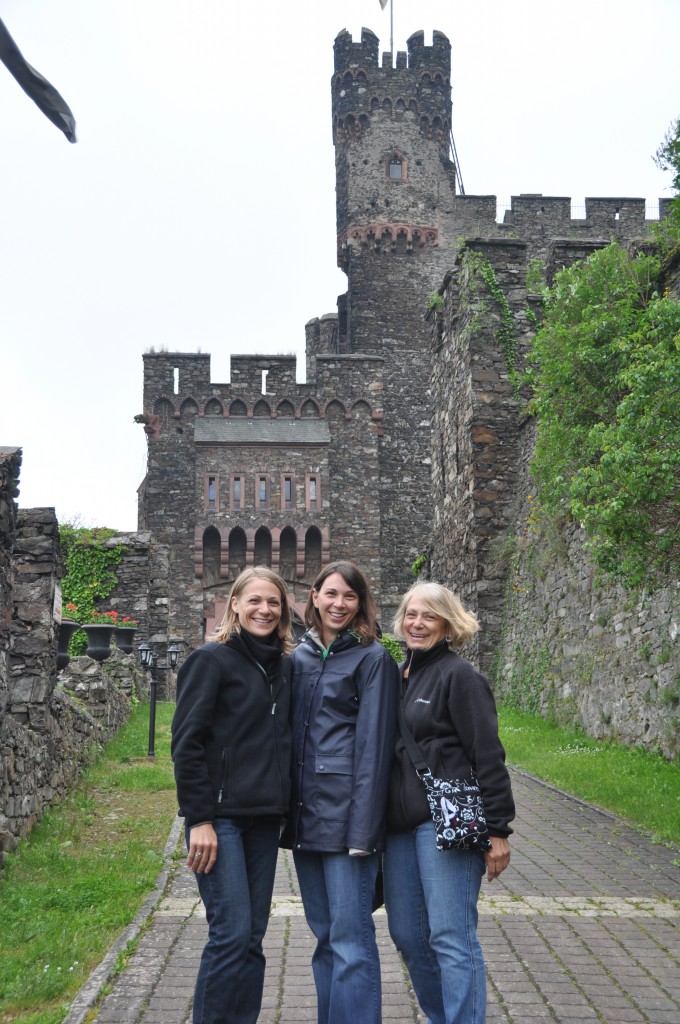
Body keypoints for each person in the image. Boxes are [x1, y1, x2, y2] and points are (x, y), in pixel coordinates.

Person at [384, 582, 515, 1024]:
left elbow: (488, 754)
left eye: (429, 616)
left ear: (448, 624)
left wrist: (498, 830)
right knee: (407, 935)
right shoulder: (397, 675)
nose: (417, 624)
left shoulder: (460, 677)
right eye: (411, 615)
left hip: (446, 825)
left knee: (451, 937)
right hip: (399, 827)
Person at [171, 567, 294, 1024]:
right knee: (230, 933)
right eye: (256, 601)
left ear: (283, 612)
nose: (265, 610)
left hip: (263, 819)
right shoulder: (211, 660)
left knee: (253, 938)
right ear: (235, 605)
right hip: (219, 819)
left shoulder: (282, 667)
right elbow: (186, 744)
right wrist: (198, 818)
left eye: (274, 603)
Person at [281, 561, 400, 1024]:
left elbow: (374, 750)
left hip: (350, 820)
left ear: (361, 603)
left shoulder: (373, 659)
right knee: (325, 937)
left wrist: (364, 830)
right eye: (331, 594)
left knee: (352, 941)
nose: (339, 604)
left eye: (349, 597)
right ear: (313, 596)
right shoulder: (300, 657)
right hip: (307, 820)